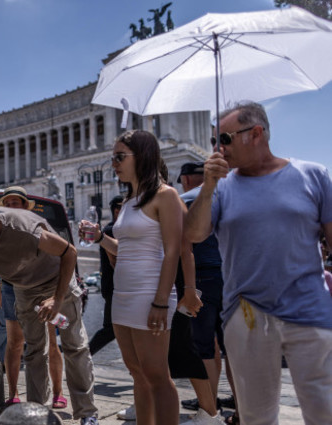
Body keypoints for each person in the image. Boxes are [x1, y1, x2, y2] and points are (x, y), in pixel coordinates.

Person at [184, 101, 332, 425]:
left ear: (256, 133)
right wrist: (207, 187)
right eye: (214, 141)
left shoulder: (313, 175)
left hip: (309, 309)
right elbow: (193, 234)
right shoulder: (220, 188)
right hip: (246, 313)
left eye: (224, 139)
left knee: (325, 410)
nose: (217, 148)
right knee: (256, 416)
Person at [81, 130, 200, 425]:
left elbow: (173, 252)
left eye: (120, 157)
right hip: (124, 295)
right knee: (137, 372)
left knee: (157, 375)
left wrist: (161, 302)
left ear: (143, 156)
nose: (114, 164)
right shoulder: (131, 199)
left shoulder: (166, 195)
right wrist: (100, 238)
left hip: (151, 295)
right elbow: (127, 251)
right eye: (113, 158)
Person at [0, 205, 99, 425]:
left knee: (74, 347)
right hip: (25, 289)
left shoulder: (22, 229)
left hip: (57, 281)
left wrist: (57, 298)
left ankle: (87, 414)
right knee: (34, 351)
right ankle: (36, 414)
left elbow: (69, 252)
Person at [0, 186, 67, 409]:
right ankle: (13, 393)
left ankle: (57, 392)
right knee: (15, 341)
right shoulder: (0, 230)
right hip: (10, 287)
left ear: (25, 206)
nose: (10, 207)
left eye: (15, 203)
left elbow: (58, 255)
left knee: (51, 341)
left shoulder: (34, 225)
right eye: (7, 203)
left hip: (40, 286)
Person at [178, 162, 238, 424]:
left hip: (200, 278)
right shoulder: (230, 196)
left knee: (202, 348)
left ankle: (209, 408)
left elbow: (180, 246)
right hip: (230, 277)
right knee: (233, 349)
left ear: (188, 179)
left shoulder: (185, 200)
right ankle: (243, 409)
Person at [88, 195, 122, 356]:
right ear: (117, 211)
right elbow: (114, 260)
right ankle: (83, 355)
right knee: (111, 329)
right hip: (115, 287)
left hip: (115, 287)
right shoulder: (111, 231)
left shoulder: (113, 229)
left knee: (121, 329)